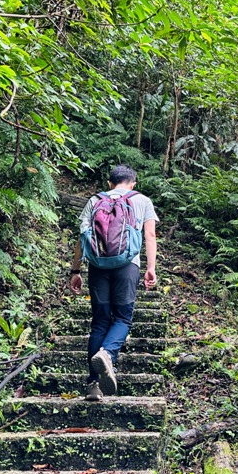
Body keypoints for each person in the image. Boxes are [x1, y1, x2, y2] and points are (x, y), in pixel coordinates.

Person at [69, 165, 159, 401]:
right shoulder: (142, 201)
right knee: (122, 318)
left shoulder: (95, 200)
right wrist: (151, 268)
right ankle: (108, 354)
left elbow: (82, 237)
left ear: (110, 183)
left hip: (98, 266)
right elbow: (150, 235)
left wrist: (75, 270)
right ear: (133, 184)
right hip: (128, 266)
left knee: (99, 322)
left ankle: (93, 385)